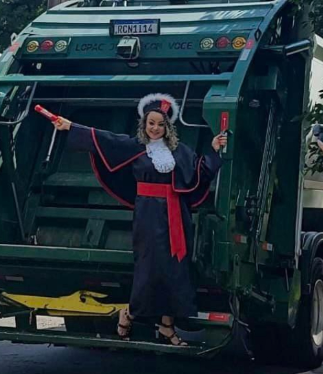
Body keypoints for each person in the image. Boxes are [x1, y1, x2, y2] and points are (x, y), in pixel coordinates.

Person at [45, 93, 227, 346]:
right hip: (148, 215)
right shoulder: (134, 147)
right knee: (150, 268)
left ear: (168, 126)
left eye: (160, 124)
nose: (155, 128)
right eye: (151, 123)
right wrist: (71, 127)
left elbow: (201, 171)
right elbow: (104, 139)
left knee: (175, 270)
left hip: (176, 214)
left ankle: (167, 326)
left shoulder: (179, 151)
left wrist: (215, 149)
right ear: (144, 123)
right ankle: (130, 312)